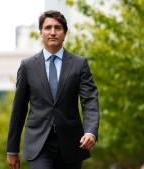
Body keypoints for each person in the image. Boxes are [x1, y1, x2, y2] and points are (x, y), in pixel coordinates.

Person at [6, 10, 100, 169]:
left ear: (64, 34)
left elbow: (90, 101)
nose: (53, 32)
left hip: (71, 143)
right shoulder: (27, 66)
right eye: (48, 28)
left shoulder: (79, 64)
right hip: (38, 144)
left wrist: (90, 132)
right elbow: (19, 109)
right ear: (41, 33)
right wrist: (12, 149)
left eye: (58, 28)